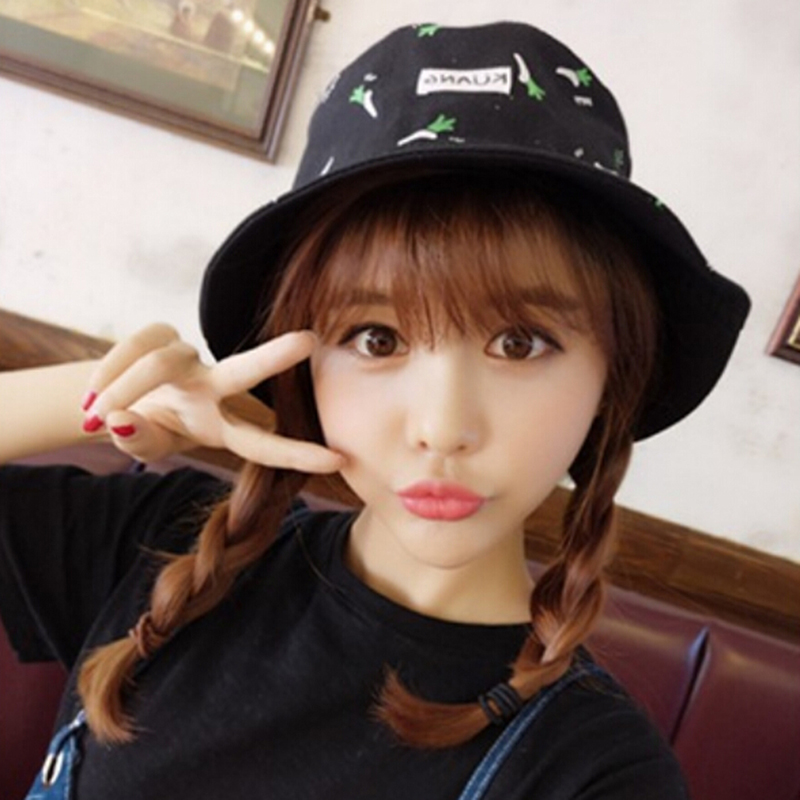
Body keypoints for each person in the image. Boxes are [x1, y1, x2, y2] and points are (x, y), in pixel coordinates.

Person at [0, 21, 750, 800]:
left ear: (612, 378)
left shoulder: (597, 774)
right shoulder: (167, 550)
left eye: (519, 343)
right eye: (377, 338)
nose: (442, 429)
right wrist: (99, 397)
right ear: (303, 361)